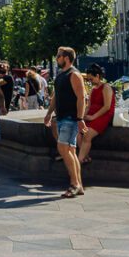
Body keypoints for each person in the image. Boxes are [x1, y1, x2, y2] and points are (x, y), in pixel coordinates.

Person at [43, 47, 87, 197]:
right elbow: (56, 96)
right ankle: (79, 185)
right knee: (71, 151)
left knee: (63, 148)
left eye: (58, 56)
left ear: (66, 58)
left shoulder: (74, 74)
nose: (56, 58)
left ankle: (74, 184)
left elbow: (81, 98)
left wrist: (80, 118)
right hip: (62, 117)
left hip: (70, 118)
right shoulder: (62, 75)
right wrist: (49, 113)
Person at [77, 64, 115, 166]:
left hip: (103, 116)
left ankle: (78, 161)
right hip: (92, 115)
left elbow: (107, 107)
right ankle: (85, 157)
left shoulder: (106, 87)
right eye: (88, 80)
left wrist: (93, 117)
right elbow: (88, 106)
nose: (90, 82)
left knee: (87, 134)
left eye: (91, 79)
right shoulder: (93, 89)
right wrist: (82, 117)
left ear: (97, 76)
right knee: (77, 133)